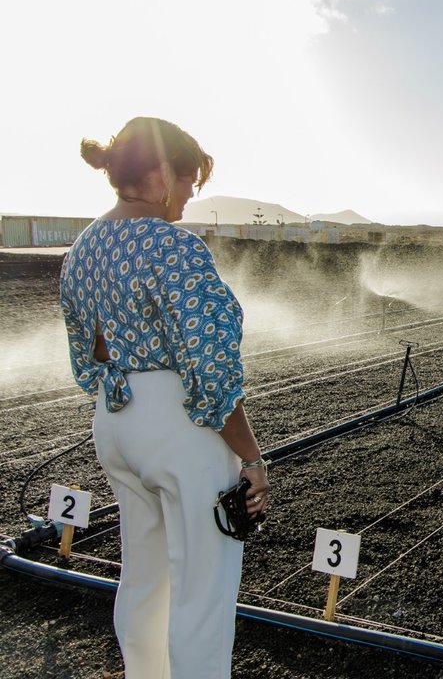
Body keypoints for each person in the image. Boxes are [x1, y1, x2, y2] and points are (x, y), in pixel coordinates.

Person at [59, 116, 269, 678]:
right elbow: (210, 364)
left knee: (145, 575)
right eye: (185, 183)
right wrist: (250, 457)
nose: (185, 201)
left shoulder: (82, 247)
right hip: (176, 425)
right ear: (157, 174)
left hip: (115, 417)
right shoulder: (173, 245)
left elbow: (89, 353)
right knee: (204, 587)